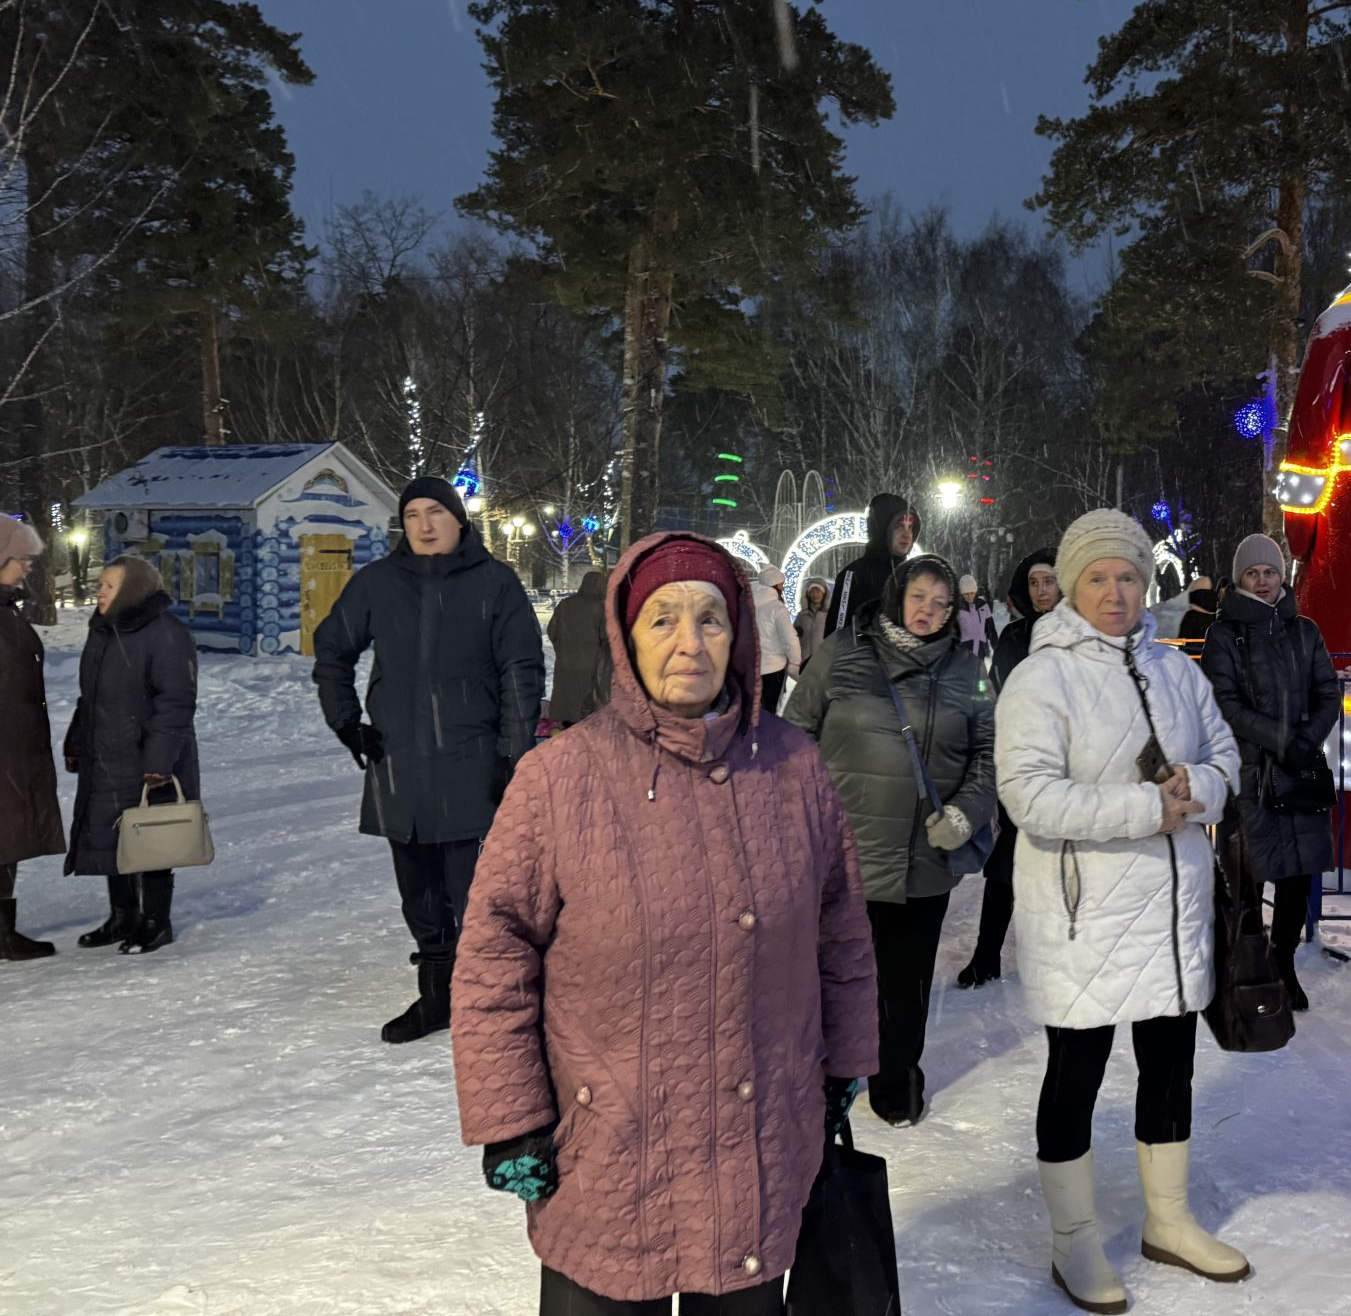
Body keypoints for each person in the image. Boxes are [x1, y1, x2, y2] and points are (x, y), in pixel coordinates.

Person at [452, 532, 878, 1316]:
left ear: (741, 636)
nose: (690, 642)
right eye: (663, 620)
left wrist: (844, 1062)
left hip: (758, 1147)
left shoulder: (793, 768)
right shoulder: (559, 778)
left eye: (711, 619)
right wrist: (513, 1121)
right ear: (625, 638)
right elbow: (492, 955)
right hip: (609, 1157)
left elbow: (841, 930)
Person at [995, 509, 1246, 1312]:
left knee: (1171, 1065)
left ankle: (1166, 1221)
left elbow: (1224, 758)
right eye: (1098, 578)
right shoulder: (1044, 676)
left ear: (1147, 584)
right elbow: (1029, 796)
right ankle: (1073, 1241)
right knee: (1077, 1073)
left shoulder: (1176, 670)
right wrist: (1150, 808)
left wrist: (1198, 791)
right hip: (1085, 916)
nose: (1116, 592)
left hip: (1171, 916)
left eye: (1129, 576)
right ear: (1071, 587)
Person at [313, 477, 544, 1044]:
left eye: (435, 511)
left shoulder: (494, 584)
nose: (423, 523)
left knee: (479, 893)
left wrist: (513, 751)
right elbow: (332, 649)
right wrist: (346, 721)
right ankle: (437, 997)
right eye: (412, 513)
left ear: (459, 520)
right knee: (417, 889)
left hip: (472, 761)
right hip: (400, 765)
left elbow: (522, 669)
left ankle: (490, 1000)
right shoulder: (378, 584)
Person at [785, 552, 996, 1127]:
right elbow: (796, 739)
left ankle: (895, 1083)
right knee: (831, 976)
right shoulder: (842, 654)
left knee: (905, 985)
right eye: (918, 597)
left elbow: (988, 757)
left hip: (922, 858)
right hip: (840, 856)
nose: (928, 611)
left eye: (941, 602)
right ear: (897, 595)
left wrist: (965, 814)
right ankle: (820, 1085)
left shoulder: (967, 670)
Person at [1200, 532, 1339, 1013]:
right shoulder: (1224, 634)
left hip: (1298, 775)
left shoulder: (1305, 631)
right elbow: (1226, 703)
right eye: (1252, 573)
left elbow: (1329, 691)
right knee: (1248, 880)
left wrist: (1307, 741)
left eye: (1270, 572)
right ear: (1239, 578)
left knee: (1297, 877)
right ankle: (1247, 969)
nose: (1262, 581)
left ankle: (1283, 964)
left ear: (1283, 575)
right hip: (1252, 774)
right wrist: (1285, 741)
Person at [64, 555, 198, 955]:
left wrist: (158, 761)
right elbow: (90, 698)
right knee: (110, 833)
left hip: (146, 756)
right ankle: (123, 916)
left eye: (108, 585)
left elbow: (175, 703)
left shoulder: (165, 633)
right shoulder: (104, 631)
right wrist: (76, 740)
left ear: (132, 589)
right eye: (100, 584)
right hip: (105, 752)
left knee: (151, 836)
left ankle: (157, 922)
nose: (99, 591)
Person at [957, 546, 1058, 989]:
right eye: (1034, 583)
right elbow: (996, 694)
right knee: (1004, 868)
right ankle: (987, 954)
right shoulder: (1016, 637)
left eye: (1049, 582)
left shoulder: (1082, 634)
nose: (1041, 591)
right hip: (1021, 764)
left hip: (1066, 768)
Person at [0, 516, 64, 959]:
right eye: (20, 558)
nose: (26, 567)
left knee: (8, 838)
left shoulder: (7, 610)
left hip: (13, 744)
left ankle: (4, 932)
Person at [825, 492, 919, 635]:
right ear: (881, 530)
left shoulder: (915, 577)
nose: (907, 534)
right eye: (899, 526)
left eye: (910, 527)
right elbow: (835, 639)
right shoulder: (853, 576)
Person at [545, 567, 610, 730]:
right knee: (587, 702)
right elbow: (606, 637)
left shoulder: (565, 604)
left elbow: (552, 631)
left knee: (567, 701)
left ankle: (566, 730)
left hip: (566, 664)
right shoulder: (602, 607)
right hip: (591, 665)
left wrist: (563, 648)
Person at [752, 564, 804, 715]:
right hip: (774, 668)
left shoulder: (747, 606)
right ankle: (768, 737)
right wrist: (795, 661)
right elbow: (790, 639)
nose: (783, 588)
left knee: (754, 710)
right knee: (770, 710)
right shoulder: (777, 608)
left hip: (751, 668)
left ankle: (753, 736)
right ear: (774, 585)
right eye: (781, 584)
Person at [794, 577, 831, 667]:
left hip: (823, 662)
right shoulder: (801, 616)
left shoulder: (829, 616)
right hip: (804, 663)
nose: (815, 594)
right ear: (808, 594)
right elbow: (794, 639)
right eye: (812, 592)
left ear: (824, 594)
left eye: (818, 591)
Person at [1176, 576, 1218, 645]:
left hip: (1191, 653)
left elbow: (1181, 639)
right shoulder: (1220, 612)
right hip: (1214, 653)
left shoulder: (1188, 615)